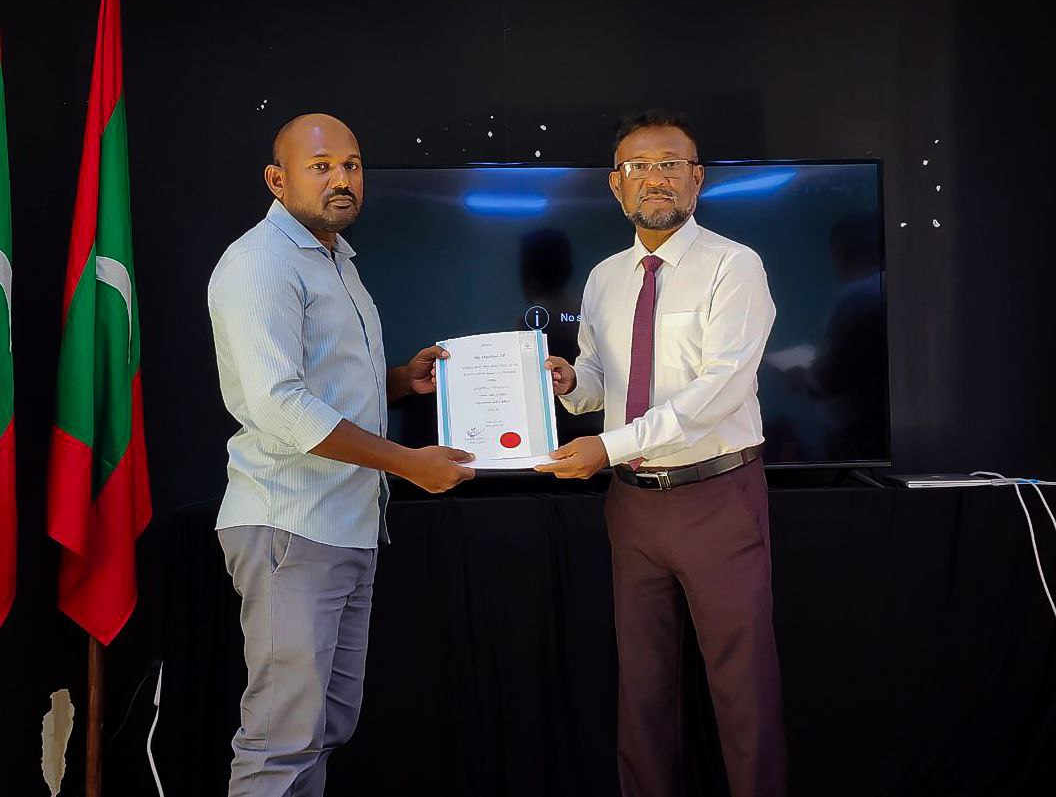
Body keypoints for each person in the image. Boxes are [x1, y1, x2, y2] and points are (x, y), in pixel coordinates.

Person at [207, 113, 474, 797]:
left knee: (323, 728)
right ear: (277, 179)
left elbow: (323, 382)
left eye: (351, 165)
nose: (342, 179)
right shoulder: (261, 262)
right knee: (280, 743)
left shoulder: (334, 259)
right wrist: (408, 463)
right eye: (321, 166)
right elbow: (280, 405)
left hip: (346, 524)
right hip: (290, 526)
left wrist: (398, 381)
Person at [536, 110, 787, 797]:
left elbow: (718, 390)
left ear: (696, 179)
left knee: (743, 685)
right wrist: (569, 383)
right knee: (642, 685)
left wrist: (608, 445)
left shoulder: (735, 266)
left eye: (671, 164)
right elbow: (600, 382)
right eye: (639, 167)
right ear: (616, 184)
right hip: (633, 506)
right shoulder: (604, 277)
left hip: (719, 499)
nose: (656, 178)